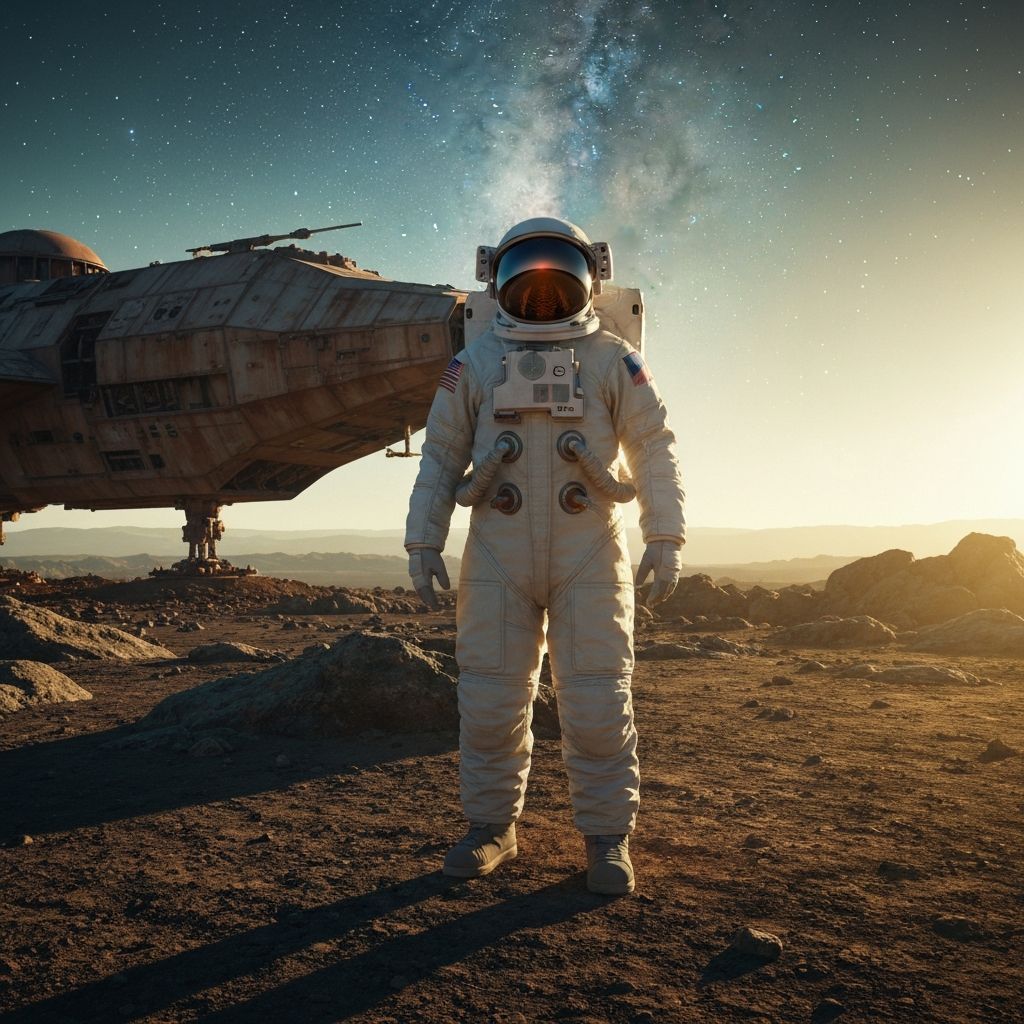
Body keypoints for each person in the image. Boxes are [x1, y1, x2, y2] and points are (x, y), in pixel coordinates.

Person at [405, 217, 685, 895]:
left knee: (595, 701)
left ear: (591, 277)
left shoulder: (613, 359)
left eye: (555, 271)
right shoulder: (471, 365)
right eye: (523, 274)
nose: (539, 289)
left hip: (588, 548)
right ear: (494, 281)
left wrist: (665, 536)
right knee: (491, 699)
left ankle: (607, 839)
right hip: (499, 551)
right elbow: (441, 455)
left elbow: (652, 446)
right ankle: (490, 828)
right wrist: (423, 538)